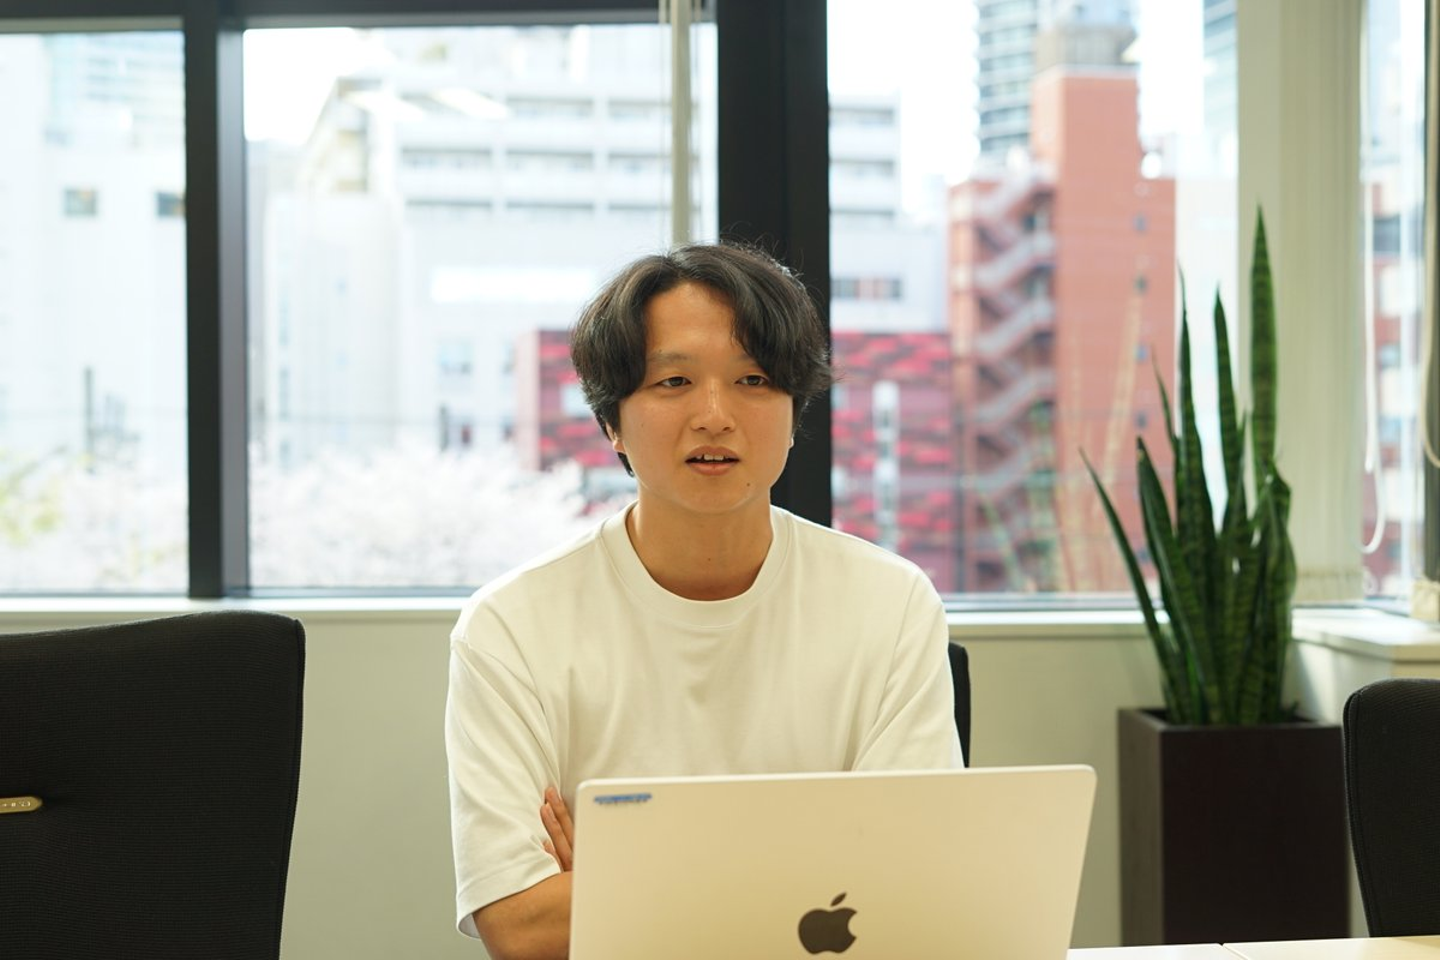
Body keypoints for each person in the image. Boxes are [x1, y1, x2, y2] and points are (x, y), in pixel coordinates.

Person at [445, 241, 962, 960]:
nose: (715, 415)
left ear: (793, 412)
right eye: (674, 381)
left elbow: (917, 881)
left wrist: (620, 875)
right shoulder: (511, 628)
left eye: (753, 380)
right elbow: (522, 928)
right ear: (611, 421)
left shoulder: (890, 603)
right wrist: (820, 857)